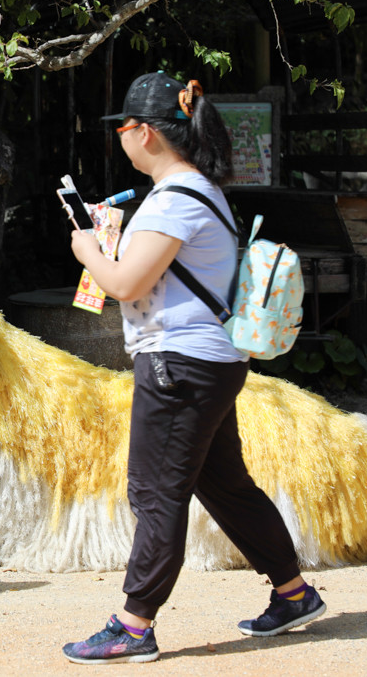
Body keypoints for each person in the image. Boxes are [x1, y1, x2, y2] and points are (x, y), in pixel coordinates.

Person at [62, 72, 326, 665]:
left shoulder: (175, 200)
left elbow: (125, 283)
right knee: (223, 483)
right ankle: (293, 593)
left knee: (156, 491)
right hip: (206, 362)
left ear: (147, 134)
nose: (121, 137)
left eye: (124, 127)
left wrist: (88, 250)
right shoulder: (196, 192)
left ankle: (133, 625)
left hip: (179, 366)